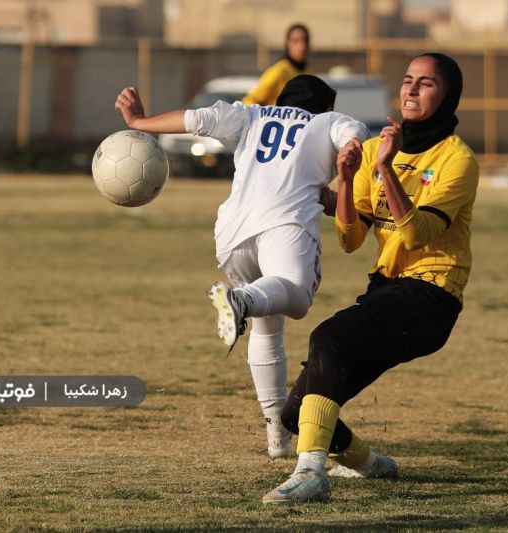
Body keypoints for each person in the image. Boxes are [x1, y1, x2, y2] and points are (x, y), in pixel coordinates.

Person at [262, 53, 479, 504]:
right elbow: (350, 238)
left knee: (328, 338)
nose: (412, 90)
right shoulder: (379, 146)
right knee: (295, 412)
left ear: (447, 95)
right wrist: (345, 179)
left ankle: (310, 473)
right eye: (407, 80)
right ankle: (370, 465)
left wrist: (384, 168)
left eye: (426, 83)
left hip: (432, 296)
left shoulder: (457, 158)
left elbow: (418, 232)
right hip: (388, 289)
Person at [114, 75, 369, 460]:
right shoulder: (326, 122)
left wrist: (138, 122)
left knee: (267, 325)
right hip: (283, 226)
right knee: (296, 299)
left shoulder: (252, 114)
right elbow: (355, 133)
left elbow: (196, 119)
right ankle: (241, 300)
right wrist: (351, 148)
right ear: (326, 107)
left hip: (232, 233)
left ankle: (276, 438)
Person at [243, 24, 310, 106]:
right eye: (296, 41)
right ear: (288, 44)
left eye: (305, 40)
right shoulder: (279, 71)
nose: (302, 46)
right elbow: (248, 101)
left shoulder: (309, 71)